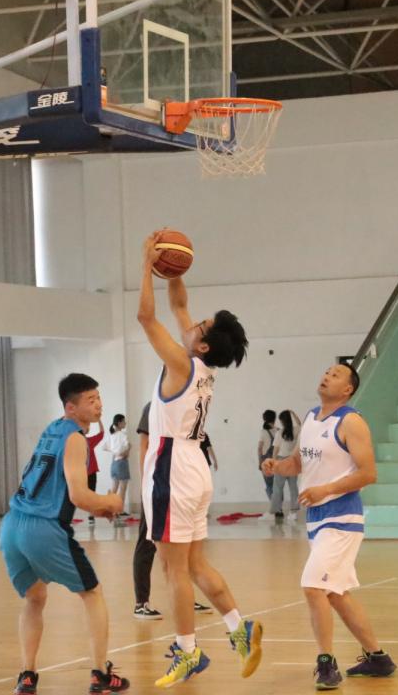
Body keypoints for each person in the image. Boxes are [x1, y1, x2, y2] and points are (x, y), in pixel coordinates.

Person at [137, 229, 261, 688]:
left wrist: (145, 264)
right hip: (195, 468)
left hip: (171, 467)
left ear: (203, 344)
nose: (191, 324)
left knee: (174, 570)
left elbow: (146, 316)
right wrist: (172, 269)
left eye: (200, 326)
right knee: (194, 565)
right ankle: (239, 628)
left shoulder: (182, 363)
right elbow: (178, 305)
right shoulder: (203, 367)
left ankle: (188, 652)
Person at [263, 363, 395, 690]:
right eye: (326, 372)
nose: (326, 376)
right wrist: (277, 465)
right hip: (317, 518)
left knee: (313, 586)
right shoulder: (310, 418)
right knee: (336, 594)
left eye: (336, 375)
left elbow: (368, 473)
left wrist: (326, 489)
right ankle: (378, 657)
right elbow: (298, 463)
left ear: (348, 389)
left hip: (342, 517)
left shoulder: (351, 421)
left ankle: (326, 662)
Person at [0, 373, 128, 695]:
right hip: (42, 529)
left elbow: (51, 483)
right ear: (71, 408)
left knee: (35, 598)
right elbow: (78, 495)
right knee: (92, 593)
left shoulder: (52, 429)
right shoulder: (75, 439)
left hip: (12, 526)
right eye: (90, 400)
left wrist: (96, 508)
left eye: (98, 397)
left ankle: (27, 676)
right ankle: (100, 674)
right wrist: (110, 502)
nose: (98, 405)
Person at [132, 401, 212, 621]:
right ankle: (141, 602)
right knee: (147, 544)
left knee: (184, 547)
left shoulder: (189, 404)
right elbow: (144, 445)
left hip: (181, 487)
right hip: (158, 487)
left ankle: (185, 598)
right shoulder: (154, 406)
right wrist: (146, 484)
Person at [270, 409, 301, 523]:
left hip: (281, 461)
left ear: (282, 421)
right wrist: (293, 413)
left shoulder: (279, 433)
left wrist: (273, 463)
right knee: (293, 488)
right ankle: (294, 513)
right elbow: (300, 424)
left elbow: (276, 449)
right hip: (292, 461)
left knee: (277, 488)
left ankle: (276, 510)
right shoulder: (296, 430)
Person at [107, 413, 131, 516]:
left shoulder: (112, 436)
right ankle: (119, 510)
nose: (125, 423)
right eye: (124, 421)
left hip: (114, 463)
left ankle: (111, 509)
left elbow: (109, 449)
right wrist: (129, 448)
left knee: (114, 488)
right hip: (122, 463)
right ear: (119, 423)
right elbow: (126, 451)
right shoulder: (122, 435)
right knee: (122, 488)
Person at [85, 421, 105, 523]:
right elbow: (101, 433)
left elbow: (101, 434)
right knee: (89, 493)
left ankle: (91, 514)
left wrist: (99, 421)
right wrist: (99, 421)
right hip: (84, 472)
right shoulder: (88, 441)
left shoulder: (89, 441)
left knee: (90, 493)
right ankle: (90, 514)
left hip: (89, 471)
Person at [259, 410, 278, 500]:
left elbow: (259, 448)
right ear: (274, 419)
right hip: (278, 461)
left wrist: (259, 462)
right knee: (278, 485)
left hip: (266, 462)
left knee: (269, 485)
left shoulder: (263, 432)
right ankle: (278, 504)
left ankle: (274, 504)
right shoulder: (279, 431)